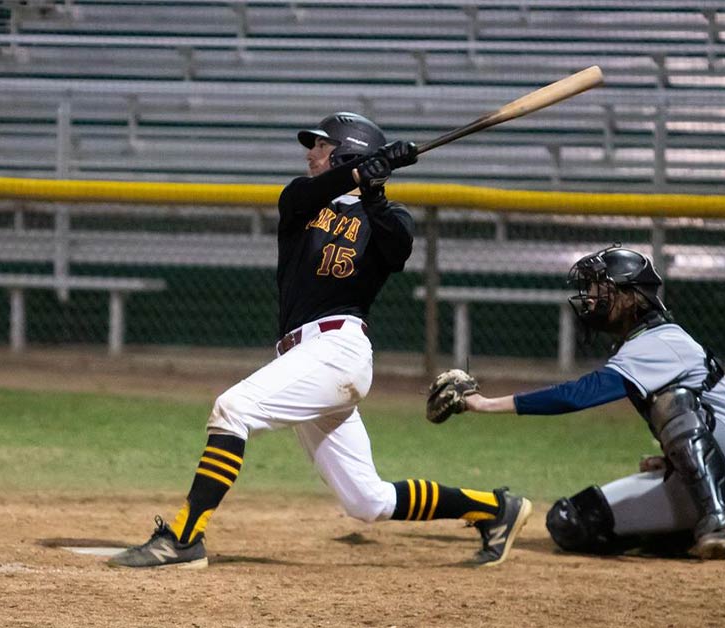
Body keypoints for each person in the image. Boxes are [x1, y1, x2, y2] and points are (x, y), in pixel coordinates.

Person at [108, 112, 532, 569]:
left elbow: (397, 246)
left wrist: (374, 188)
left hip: (338, 350)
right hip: (303, 355)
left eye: (322, 146)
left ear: (348, 152)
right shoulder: (302, 202)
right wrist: (357, 172)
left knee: (233, 409)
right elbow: (302, 196)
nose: (311, 153)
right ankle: (495, 509)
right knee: (367, 501)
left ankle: (184, 538)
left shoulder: (389, 218)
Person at [435, 245, 725, 560]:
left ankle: (721, 524)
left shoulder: (664, 340)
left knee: (673, 402)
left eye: (602, 288)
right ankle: (688, 533)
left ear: (630, 298)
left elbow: (581, 394)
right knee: (570, 522)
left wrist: (483, 403)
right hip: (706, 472)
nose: (592, 298)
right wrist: (676, 458)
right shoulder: (641, 344)